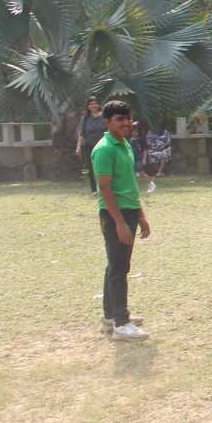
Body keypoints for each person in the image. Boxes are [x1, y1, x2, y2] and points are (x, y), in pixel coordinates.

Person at [91, 100, 151, 340]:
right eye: (119, 119)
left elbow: (129, 184)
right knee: (118, 267)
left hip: (129, 210)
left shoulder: (124, 144)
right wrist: (119, 222)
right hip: (115, 213)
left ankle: (110, 315)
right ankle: (121, 322)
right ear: (107, 122)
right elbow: (104, 189)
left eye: (127, 118)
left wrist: (141, 216)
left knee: (116, 264)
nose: (126, 123)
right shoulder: (104, 149)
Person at [75, 98, 108, 194]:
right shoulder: (85, 118)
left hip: (104, 146)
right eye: (91, 104)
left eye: (95, 103)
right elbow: (81, 133)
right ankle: (94, 189)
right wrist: (78, 147)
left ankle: (106, 187)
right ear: (88, 106)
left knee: (105, 166)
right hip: (89, 146)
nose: (93, 105)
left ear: (98, 105)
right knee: (91, 167)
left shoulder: (104, 116)